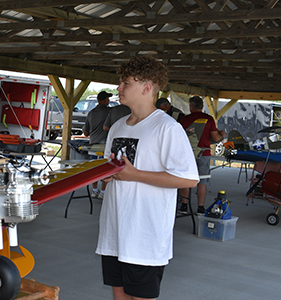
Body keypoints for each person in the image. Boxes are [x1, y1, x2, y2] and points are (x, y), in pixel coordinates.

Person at [96, 55, 199, 300]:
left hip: (144, 234)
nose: (118, 89)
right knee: (119, 295)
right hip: (113, 230)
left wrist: (135, 175)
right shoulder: (119, 125)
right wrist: (105, 178)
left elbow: (188, 179)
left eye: (125, 83)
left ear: (147, 87)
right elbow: (108, 173)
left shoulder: (167, 128)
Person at [178, 96, 226, 215]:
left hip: (188, 153)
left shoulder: (185, 119)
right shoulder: (209, 119)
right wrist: (222, 135)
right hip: (203, 153)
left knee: (185, 179)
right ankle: (200, 208)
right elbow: (215, 138)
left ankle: (184, 206)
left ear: (191, 107)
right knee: (202, 181)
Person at [83, 90, 112, 199]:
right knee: (104, 168)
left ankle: (94, 190)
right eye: (107, 99)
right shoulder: (109, 111)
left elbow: (85, 132)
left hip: (92, 144)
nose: (108, 101)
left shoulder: (91, 113)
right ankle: (103, 192)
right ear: (104, 100)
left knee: (94, 167)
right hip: (104, 144)